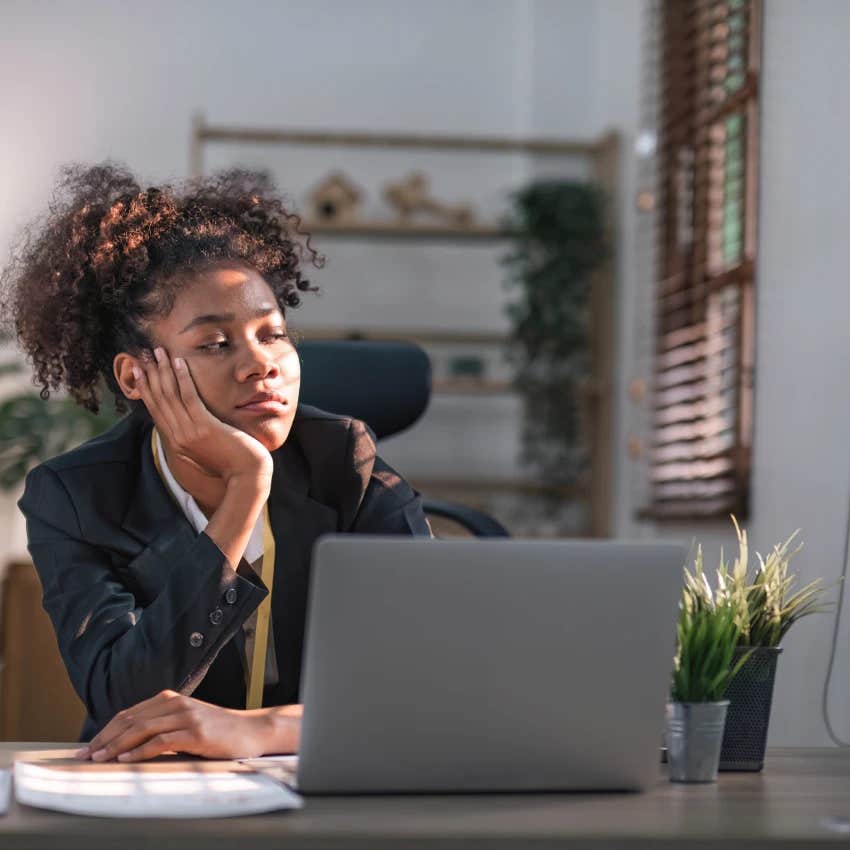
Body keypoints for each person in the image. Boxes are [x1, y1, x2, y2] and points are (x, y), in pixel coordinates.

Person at [1, 163, 431, 763]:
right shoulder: (74, 496)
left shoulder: (346, 465)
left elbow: (429, 685)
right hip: (147, 794)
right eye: (215, 344)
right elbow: (124, 696)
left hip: (313, 782)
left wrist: (263, 731)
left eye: (273, 333)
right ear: (136, 376)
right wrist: (243, 490)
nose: (263, 365)